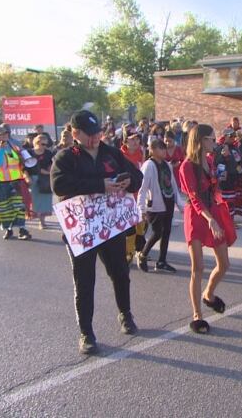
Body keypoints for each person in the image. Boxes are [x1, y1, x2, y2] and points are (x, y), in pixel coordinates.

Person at [51, 110, 143, 354]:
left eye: (98, 133)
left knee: (120, 273)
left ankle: (125, 313)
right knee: (84, 281)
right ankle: (86, 333)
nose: (95, 138)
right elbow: (59, 184)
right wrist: (98, 185)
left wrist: (127, 182)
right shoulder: (65, 157)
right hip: (81, 230)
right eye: (89, 135)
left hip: (110, 226)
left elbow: (137, 175)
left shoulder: (111, 153)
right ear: (75, 133)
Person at [179, 123, 237, 334]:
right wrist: (210, 219)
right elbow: (194, 198)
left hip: (212, 210)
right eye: (211, 139)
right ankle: (197, 315)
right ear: (201, 141)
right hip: (196, 216)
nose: (215, 142)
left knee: (224, 264)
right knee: (198, 267)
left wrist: (219, 213)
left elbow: (217, 187)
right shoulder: (186, 166)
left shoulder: (211, 160)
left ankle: (209, 294)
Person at [137, 139, 185, 273]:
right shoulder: (149, 165)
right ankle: (143, 254)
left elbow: (173, 185)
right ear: (152, 150)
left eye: (164, 148)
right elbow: (143, 188)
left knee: (166, 232)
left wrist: (180, 205)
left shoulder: (166, 165)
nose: (164, 151)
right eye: (160, 148)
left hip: (168, 202)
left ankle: (162, 261)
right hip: (155, 205)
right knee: (157, 232)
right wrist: (141, 208)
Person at [0, 125, 32, 241]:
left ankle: (22, 229)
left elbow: (16, 162)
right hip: (0, 183)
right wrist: (1, 149)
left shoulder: (11, 146)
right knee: (4, 208)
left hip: (15, 182)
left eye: (6, 134)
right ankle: (9, 229)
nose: (6, 136)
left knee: (19, 206)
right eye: (2, 134)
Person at [121, 132, 147, 264]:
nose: (136, 142)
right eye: (132, 139)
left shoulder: (141, 154)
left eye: (137, 139)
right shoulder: (120, 156)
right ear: (125, 141)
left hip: (139, 195)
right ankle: (128, 253)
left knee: (140, 227)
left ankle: (139, 250)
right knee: (129, 228)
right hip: (125, 198)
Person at [214, 128, 242, 218]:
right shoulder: (220, 148)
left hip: (236, 178)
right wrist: (225, 156)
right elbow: (217, 163)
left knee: (235, 201)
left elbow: (240, 161)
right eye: (231, 136)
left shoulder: (236, 148)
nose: (233, 138)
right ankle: (228, 220)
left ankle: (231, 219)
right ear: (225, 137)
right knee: (228, 202)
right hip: (227, 180)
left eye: (234, 136)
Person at [28, 134, 54, 229]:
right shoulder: (29, 153)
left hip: (45, 179)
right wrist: (27, 177)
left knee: (45, 200)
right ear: (37, 143)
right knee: (35, 200)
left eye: (46, 144)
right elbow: (25, 166)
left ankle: (42, 221)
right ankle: (36, 218)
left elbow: (52, 163)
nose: (45, 146)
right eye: (43, 144)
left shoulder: (48, 153)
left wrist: (49, 170)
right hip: (34, 178)